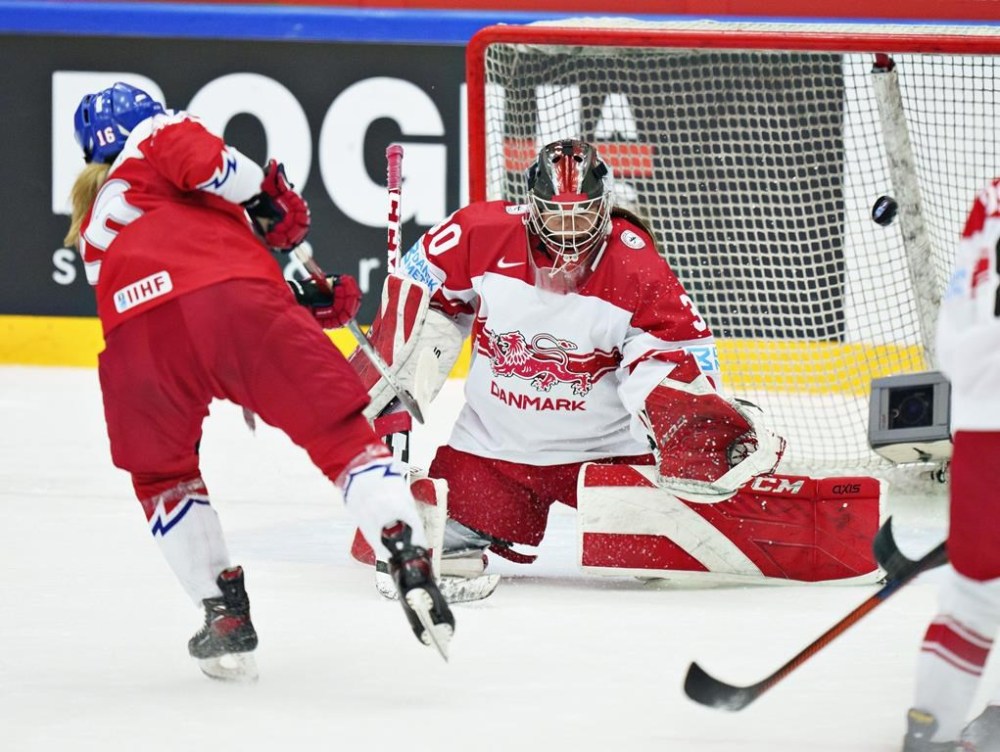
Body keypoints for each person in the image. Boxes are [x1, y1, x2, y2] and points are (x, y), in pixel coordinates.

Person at [64, 81, 454, 680]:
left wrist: (291, 297)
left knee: (164, 476)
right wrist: (270, 200)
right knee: (340, 435)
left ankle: (222, 612)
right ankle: (403, 547)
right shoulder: (157, 133)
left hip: (136, 341)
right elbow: (214, 179)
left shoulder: (96, 222)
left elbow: (175, 298)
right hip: (232, 304)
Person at [360, 138, 881, 587]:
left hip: (605, 457)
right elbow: (422, 292)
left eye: (582, 214)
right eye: (555, 214)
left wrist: (688, 422)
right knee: (422, 536)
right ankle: (475, 521)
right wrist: (401, 360)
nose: (569, 229)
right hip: (493, 451)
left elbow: (672, 351)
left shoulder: (635, 265)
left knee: (664, 542)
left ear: (605, 206)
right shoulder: (479, 233)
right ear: (531, 207)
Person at [902, 178, 1000, 751]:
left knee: (975, 591)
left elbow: (956, 331)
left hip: (984, 419)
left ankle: (930, 729)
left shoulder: (992, 200)